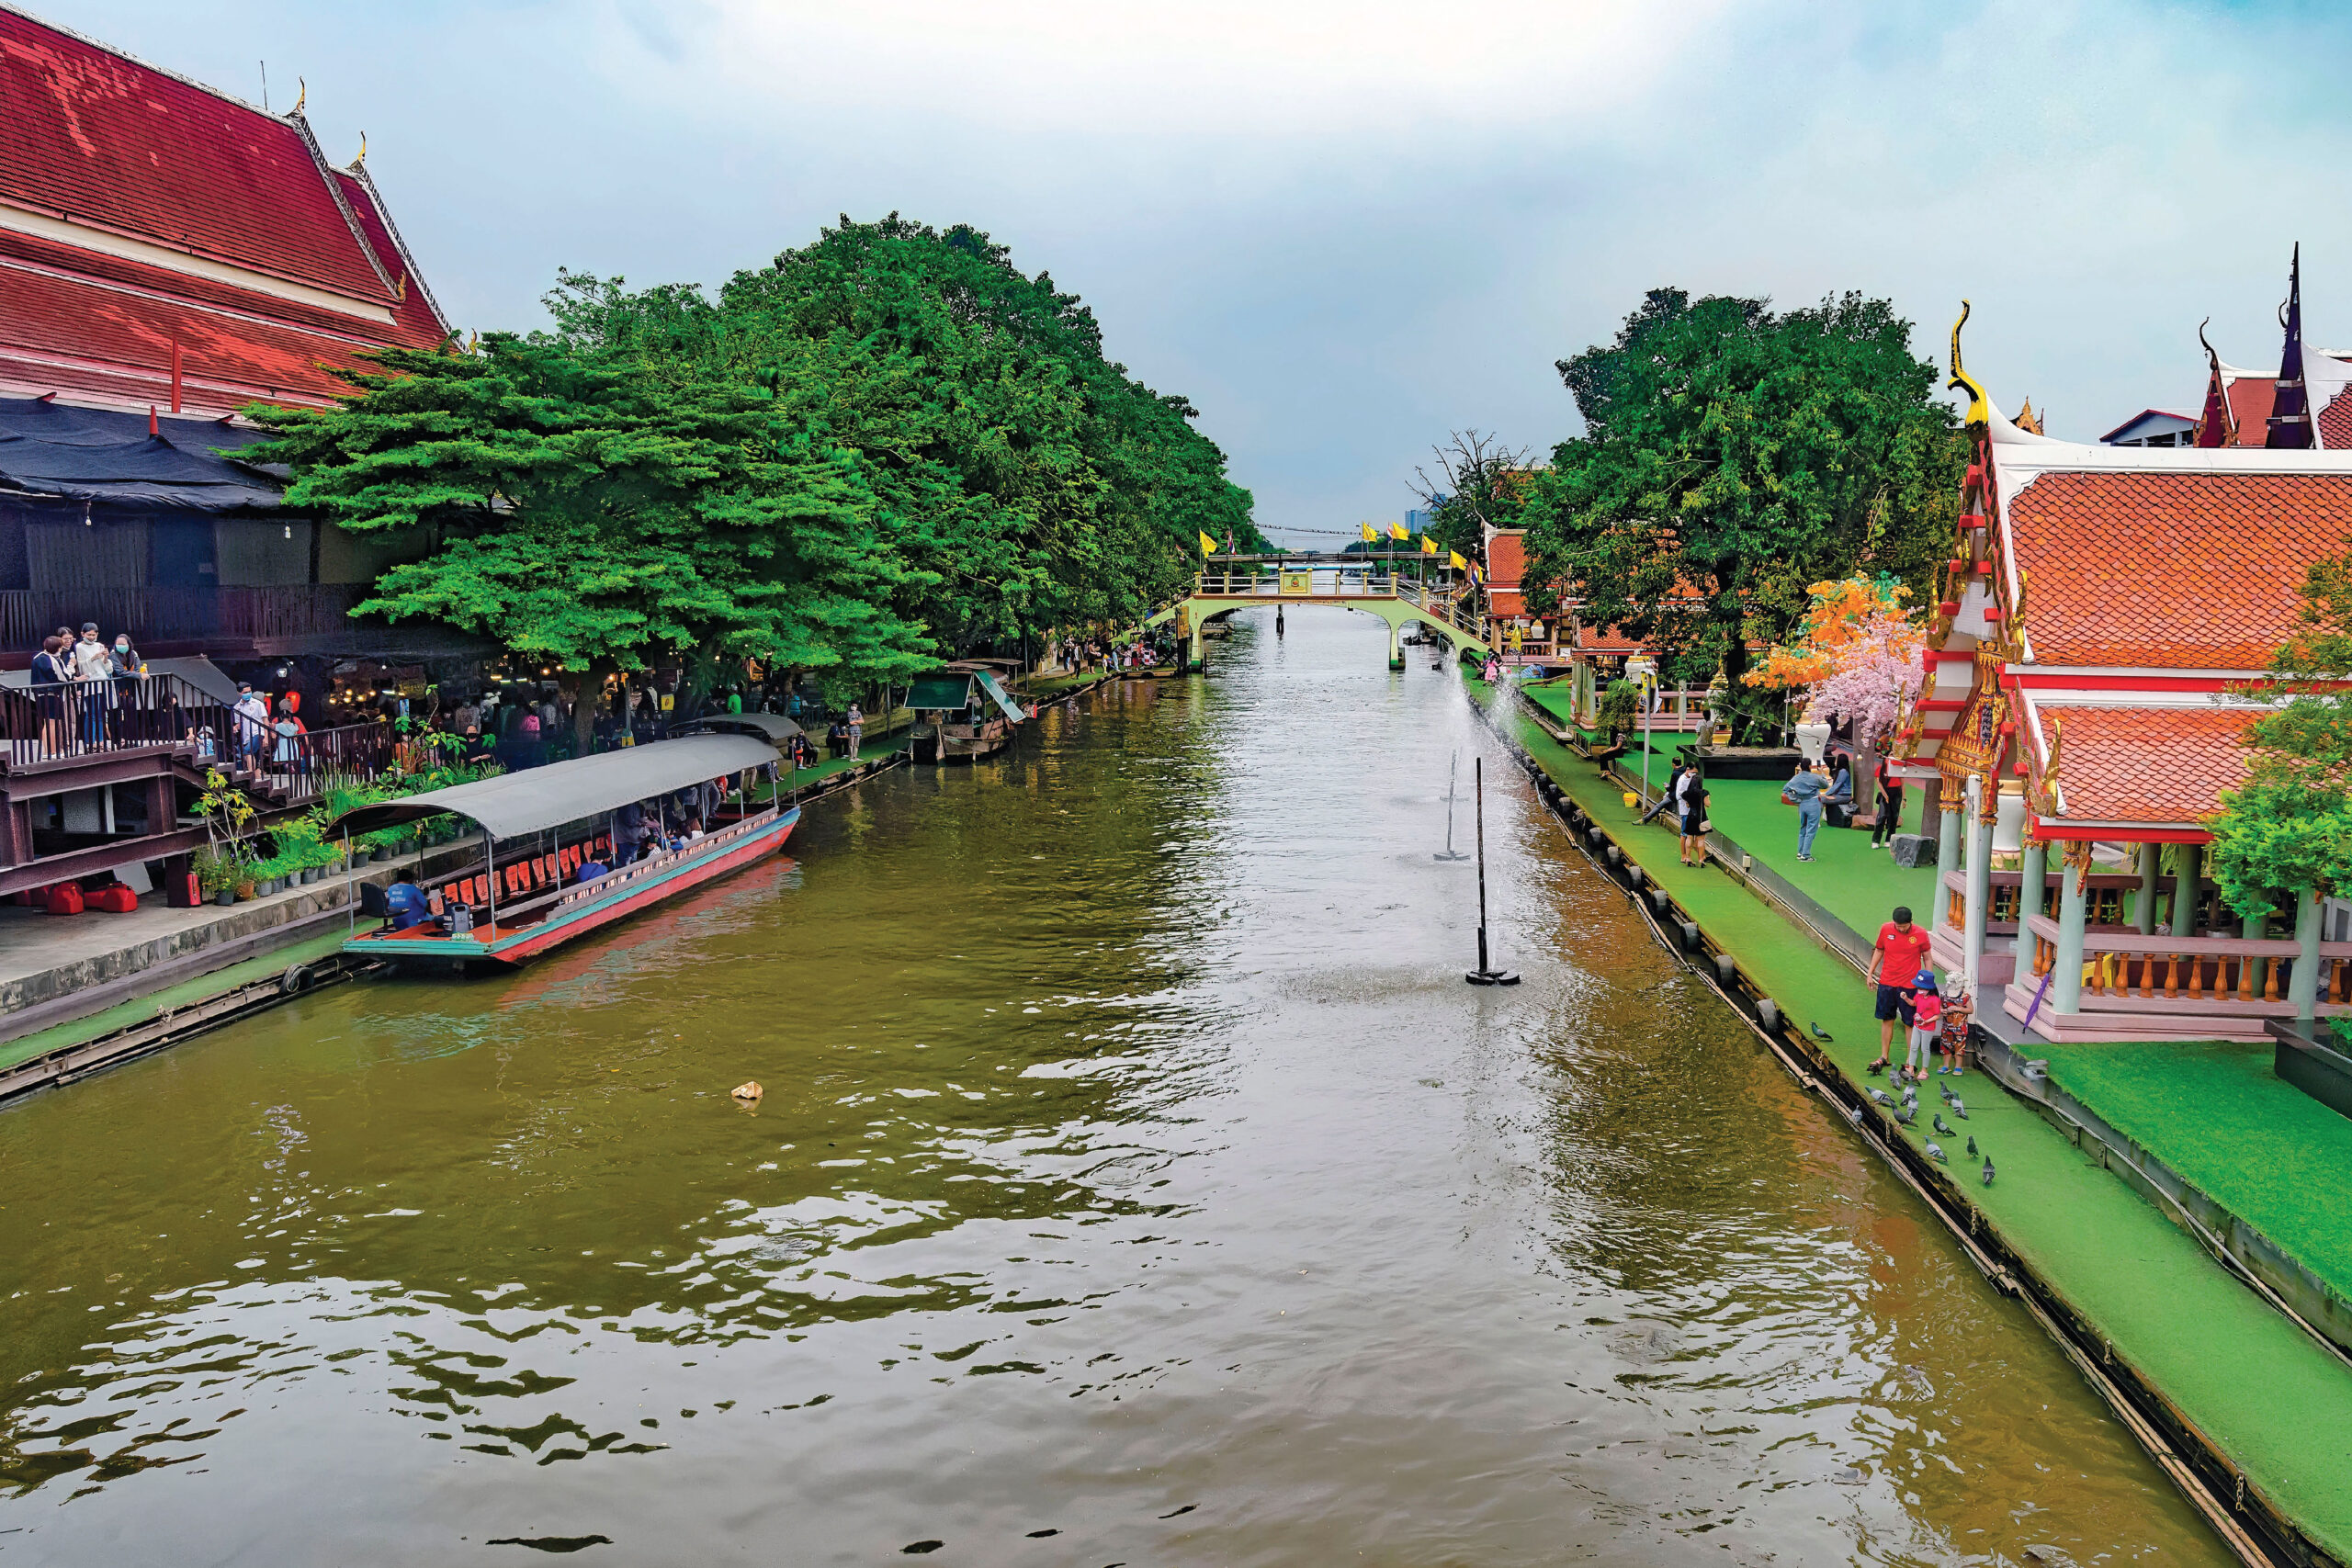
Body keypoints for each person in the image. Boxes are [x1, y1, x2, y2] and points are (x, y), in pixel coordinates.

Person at [1866, 906, 1934, 1073]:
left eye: (1903, 926)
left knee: (1909, 1023)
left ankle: (1910, 1062)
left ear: (1911, 922)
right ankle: (1884, 1056)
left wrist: (1928, 983)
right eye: (1898, 926)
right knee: (1886, 1019)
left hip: (1910, 985)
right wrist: (1870, 973)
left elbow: (1927, 957)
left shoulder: (1920, 934)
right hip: (1887, 982)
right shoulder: (1886, 928)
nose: (1900, 929)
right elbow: (1879, 950)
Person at [1781, 759, 1831, 862]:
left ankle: (1800, 852)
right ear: (1809, 766)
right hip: (1813, 803)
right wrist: (1821, 773)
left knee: (1803, 827)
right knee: (1811, 829)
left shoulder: (1796, 778)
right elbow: (1825, 785)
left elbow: (1786, 789)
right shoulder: (1815, 777)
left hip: (1802, 804)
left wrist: (1795, 799)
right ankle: (1806, 854)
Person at [28, 634, 70, 753]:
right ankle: (52, 751)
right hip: (52, 694)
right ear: (57, 648)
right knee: (52, 723)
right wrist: (71, 666)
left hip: (40, 694)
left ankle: (48, 750)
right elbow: (64, 677)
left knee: (47, 723)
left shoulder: (37, 657)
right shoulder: (54, 660)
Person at [1905, 971, 1943, 1079]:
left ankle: (1924, 1071)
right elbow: (1913, 1003)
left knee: (1925, 1049)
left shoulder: (1935, 1000)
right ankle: (1911, 1068)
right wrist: (1905, 998)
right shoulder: (1919, 995)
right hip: (1917, 1025)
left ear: (1929, 989)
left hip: (1927, 1028)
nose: (1919, 990)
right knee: (1913, 1046)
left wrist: (1925, 1021)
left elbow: (1937, 1015)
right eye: (1919, 988)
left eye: (1922, 988)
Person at [1870, 752, 1905, 849]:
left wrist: (1904, 798)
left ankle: (1889, 840)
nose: (1892, 756)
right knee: (1882, 816)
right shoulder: (1880, 769)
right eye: (1890, 754)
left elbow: (1902, 784)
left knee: (1894, 817)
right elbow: (1879, 783)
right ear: (1885, 757)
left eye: (1894, 754)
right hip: (1885, 793)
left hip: (1896, 793)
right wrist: (1885, 795)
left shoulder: (1898, 769)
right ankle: (1876, 840)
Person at [1939, 981, 1975, 1077]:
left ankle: (1958, 1067)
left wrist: (1957, 1008)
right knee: (1946, 1046)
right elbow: (1940, 1007)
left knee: (1959, 1047)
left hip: (1960, 1029)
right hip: (1947, 1027)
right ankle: (1946, 1065)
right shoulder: (1943, 995)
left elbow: (1970, 1010)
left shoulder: (1965, 997)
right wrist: (1942, 1011)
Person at [233, 682, 272, 770]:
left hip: (258, 733)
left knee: (247, 751)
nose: (248, 694)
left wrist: (266, 737)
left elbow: (265, 721)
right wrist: (235, 727)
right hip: (246, 736)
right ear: (240, 693)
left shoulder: (257, 704)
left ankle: (250, 774)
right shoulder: (237, 707)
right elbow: (240, 723)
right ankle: (257, 779)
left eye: (249, 691)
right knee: (255, 759)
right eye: (245, 692)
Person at [1679, 771, 1711, 868]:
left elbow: (1687, 805)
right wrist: (1707, 797)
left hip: (1690, 817)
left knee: (1689, 837)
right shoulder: (1704, 792)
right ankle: (1701, 859)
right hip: (1701, 817)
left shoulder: (1687, 794)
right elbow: (1708, 804)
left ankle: (1688, 857)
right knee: (1700, 840)